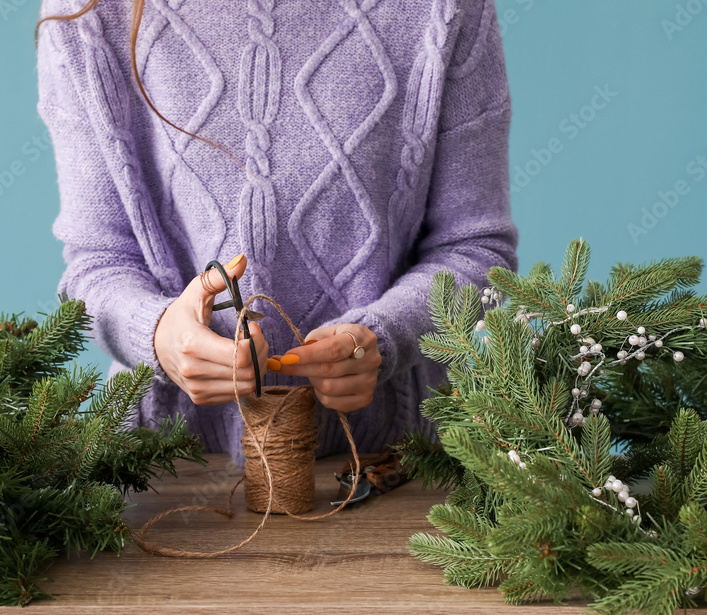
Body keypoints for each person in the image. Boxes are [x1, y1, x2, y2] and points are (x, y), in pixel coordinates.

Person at [34, 0, 519, 467]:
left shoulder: (444, 8)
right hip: (165, 473)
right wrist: (158, 335)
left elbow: (476, 252)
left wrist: (386, 337)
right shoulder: (89, 12)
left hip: (392, 468)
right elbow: (97, 265)